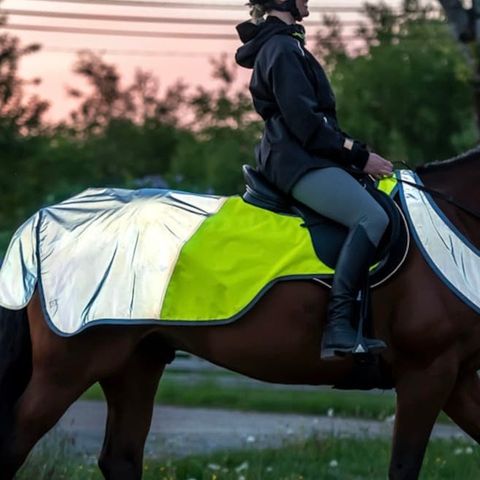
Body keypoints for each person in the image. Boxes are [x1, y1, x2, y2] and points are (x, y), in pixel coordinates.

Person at [235, 0, 393, 358]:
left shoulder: (289, 45)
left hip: (304, 156)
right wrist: (360, 155)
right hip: (296, 161)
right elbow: (306, 123)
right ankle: (338, 325)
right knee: (372, 217)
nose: (308, 0)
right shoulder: (282, 48)